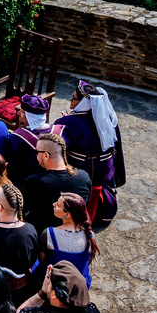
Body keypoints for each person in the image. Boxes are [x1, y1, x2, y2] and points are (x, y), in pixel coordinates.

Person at [53, 82, 126, 227]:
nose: (70, 100)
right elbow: (117, 147)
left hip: (80, 170)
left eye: (73, 99)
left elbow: (57, 146)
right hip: (103, 171)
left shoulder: (67, 122)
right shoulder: (108, 120)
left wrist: (65, 122)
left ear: (84, 103)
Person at [22, 135, 91, 232]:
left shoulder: (34, 182)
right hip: (75, 232)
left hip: (45, 236)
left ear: (46, 155)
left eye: (37, 152)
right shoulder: (84, 177)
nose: (36, 156)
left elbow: (23, 209)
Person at [41, 194, 98, 286]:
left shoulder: (48, 234)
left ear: (67, 215)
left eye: (58, 205)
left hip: (54, 284)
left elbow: (41, 260)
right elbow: (88, 262)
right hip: (79, 284)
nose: (53, 204)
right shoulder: (90, 236)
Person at [0, 95, 57, 187]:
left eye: (22, 112)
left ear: (29, 116)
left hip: (24, 182)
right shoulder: (58, 131)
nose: (18, 114)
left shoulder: (17, 138)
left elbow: (8, 158)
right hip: (53, 179)